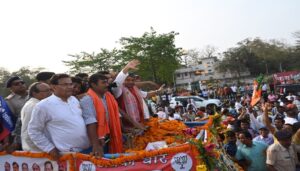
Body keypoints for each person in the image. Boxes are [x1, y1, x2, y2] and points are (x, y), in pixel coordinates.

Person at [28, 74, 90, 160]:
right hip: (65, 155)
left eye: (70, 84)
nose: (69, 87)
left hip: (86, 150)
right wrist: (49, 148)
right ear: (53, 87)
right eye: (65, 85)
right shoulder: (43, 106)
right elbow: (34, 130)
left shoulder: (74, 100)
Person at [80, 74, 123, 157]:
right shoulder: (87, 99)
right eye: (103, 83)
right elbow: (90, 121)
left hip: (108, 137)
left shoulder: (107, 97)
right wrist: (96, 143)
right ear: (93, 84)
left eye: (107, 82)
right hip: (97, 141)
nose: (107, 85)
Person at [21, 82, 52, 151]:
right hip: (38, 152)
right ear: (35, 93)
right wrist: (45, 149)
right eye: (47, 91)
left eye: (50, 90)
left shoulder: (37, 104)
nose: (50, 93)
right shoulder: (35, 106)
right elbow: (28, 133)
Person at [5, 76, 29, 151]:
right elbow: (11, 120)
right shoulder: (9, 101)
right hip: (23, 132)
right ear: (11, 88)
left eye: (22, 82)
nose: (20, 84)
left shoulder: (33, 94)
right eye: (16, 84)